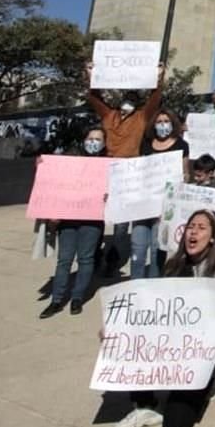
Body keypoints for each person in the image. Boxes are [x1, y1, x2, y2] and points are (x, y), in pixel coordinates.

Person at [109, 209, 215, 427]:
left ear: (212, 238)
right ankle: (144, 405)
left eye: (201, 228)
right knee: (133, 341)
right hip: (169, 347)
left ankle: (212, 382)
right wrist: (117, 327)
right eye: (190, 227)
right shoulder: (172, 264)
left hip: (200, 356)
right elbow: (154, 311)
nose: (193, 232)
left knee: (174, 426)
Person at [85, 61, 166, 275]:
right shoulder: (108, 115)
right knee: (96, 215)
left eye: (132, 100)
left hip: (129, 172)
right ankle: (93, 254)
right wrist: (92, 76)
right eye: (125, 99)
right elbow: (93, 98)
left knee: (121, 224)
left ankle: (112, 257)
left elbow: (155, 99)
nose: (127, 103)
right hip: (106, 169)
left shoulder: (141, 117)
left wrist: (159, 76)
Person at [39, 126, 109, 319]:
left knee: (86, 259)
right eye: (90, 138)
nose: (93, 142)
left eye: (98, 139)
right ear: (84, 139)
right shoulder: (70, 159)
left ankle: (77, 297)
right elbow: (53, 179)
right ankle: (56, 300)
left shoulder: (109, 166)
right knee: (64, 260)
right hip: (68, 218)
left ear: (104, 144)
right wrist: (42, 165)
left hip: (92, 219)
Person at [131, 107, 190, 279]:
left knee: (158, 251)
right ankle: (135, 287)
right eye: (159, 121)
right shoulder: (146, 144)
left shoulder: (181, 145)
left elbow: (185, 173)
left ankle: (153, 287)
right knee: (137, 249)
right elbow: (138, 171)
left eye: (166, 121)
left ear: (173, 124)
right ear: (153, 125)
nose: (163, 125)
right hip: (143, 205)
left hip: (165, 207)